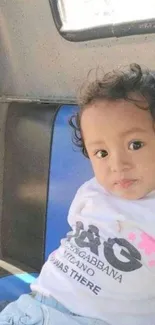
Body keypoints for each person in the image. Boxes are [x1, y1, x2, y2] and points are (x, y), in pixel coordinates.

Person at [1, 63, 155, 325]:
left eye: (135, 144)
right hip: (33, 306)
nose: (118, 165)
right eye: (101, 153)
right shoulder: (92, 191)